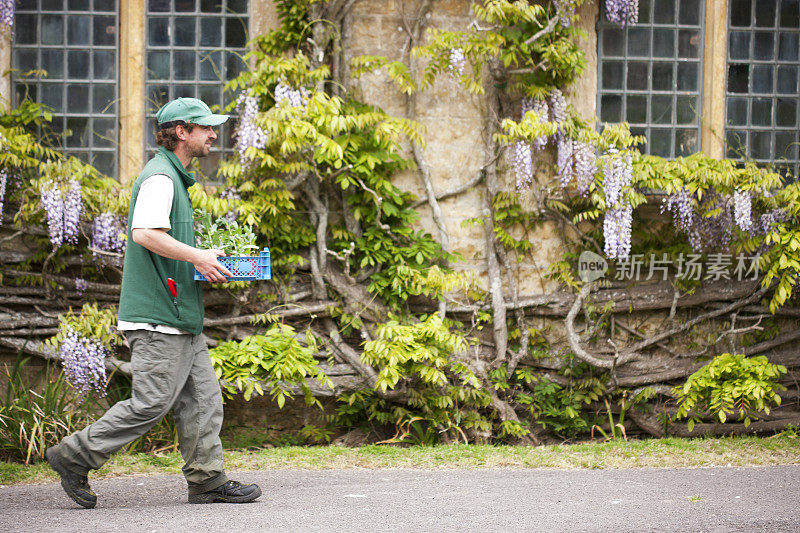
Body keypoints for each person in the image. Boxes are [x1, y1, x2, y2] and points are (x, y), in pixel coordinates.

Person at [46, 97, 261, 507]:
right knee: (151, 404)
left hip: (180, 314)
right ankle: (73, 456)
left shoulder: (175, 179)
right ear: (181, 132)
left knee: (202, 400)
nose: (214, 135)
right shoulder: (160, 177)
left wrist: (203, 261)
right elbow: (145, 233)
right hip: (159, 317)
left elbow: (165, 243)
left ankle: (207, 480)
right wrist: (197, 256)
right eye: (206, 127)